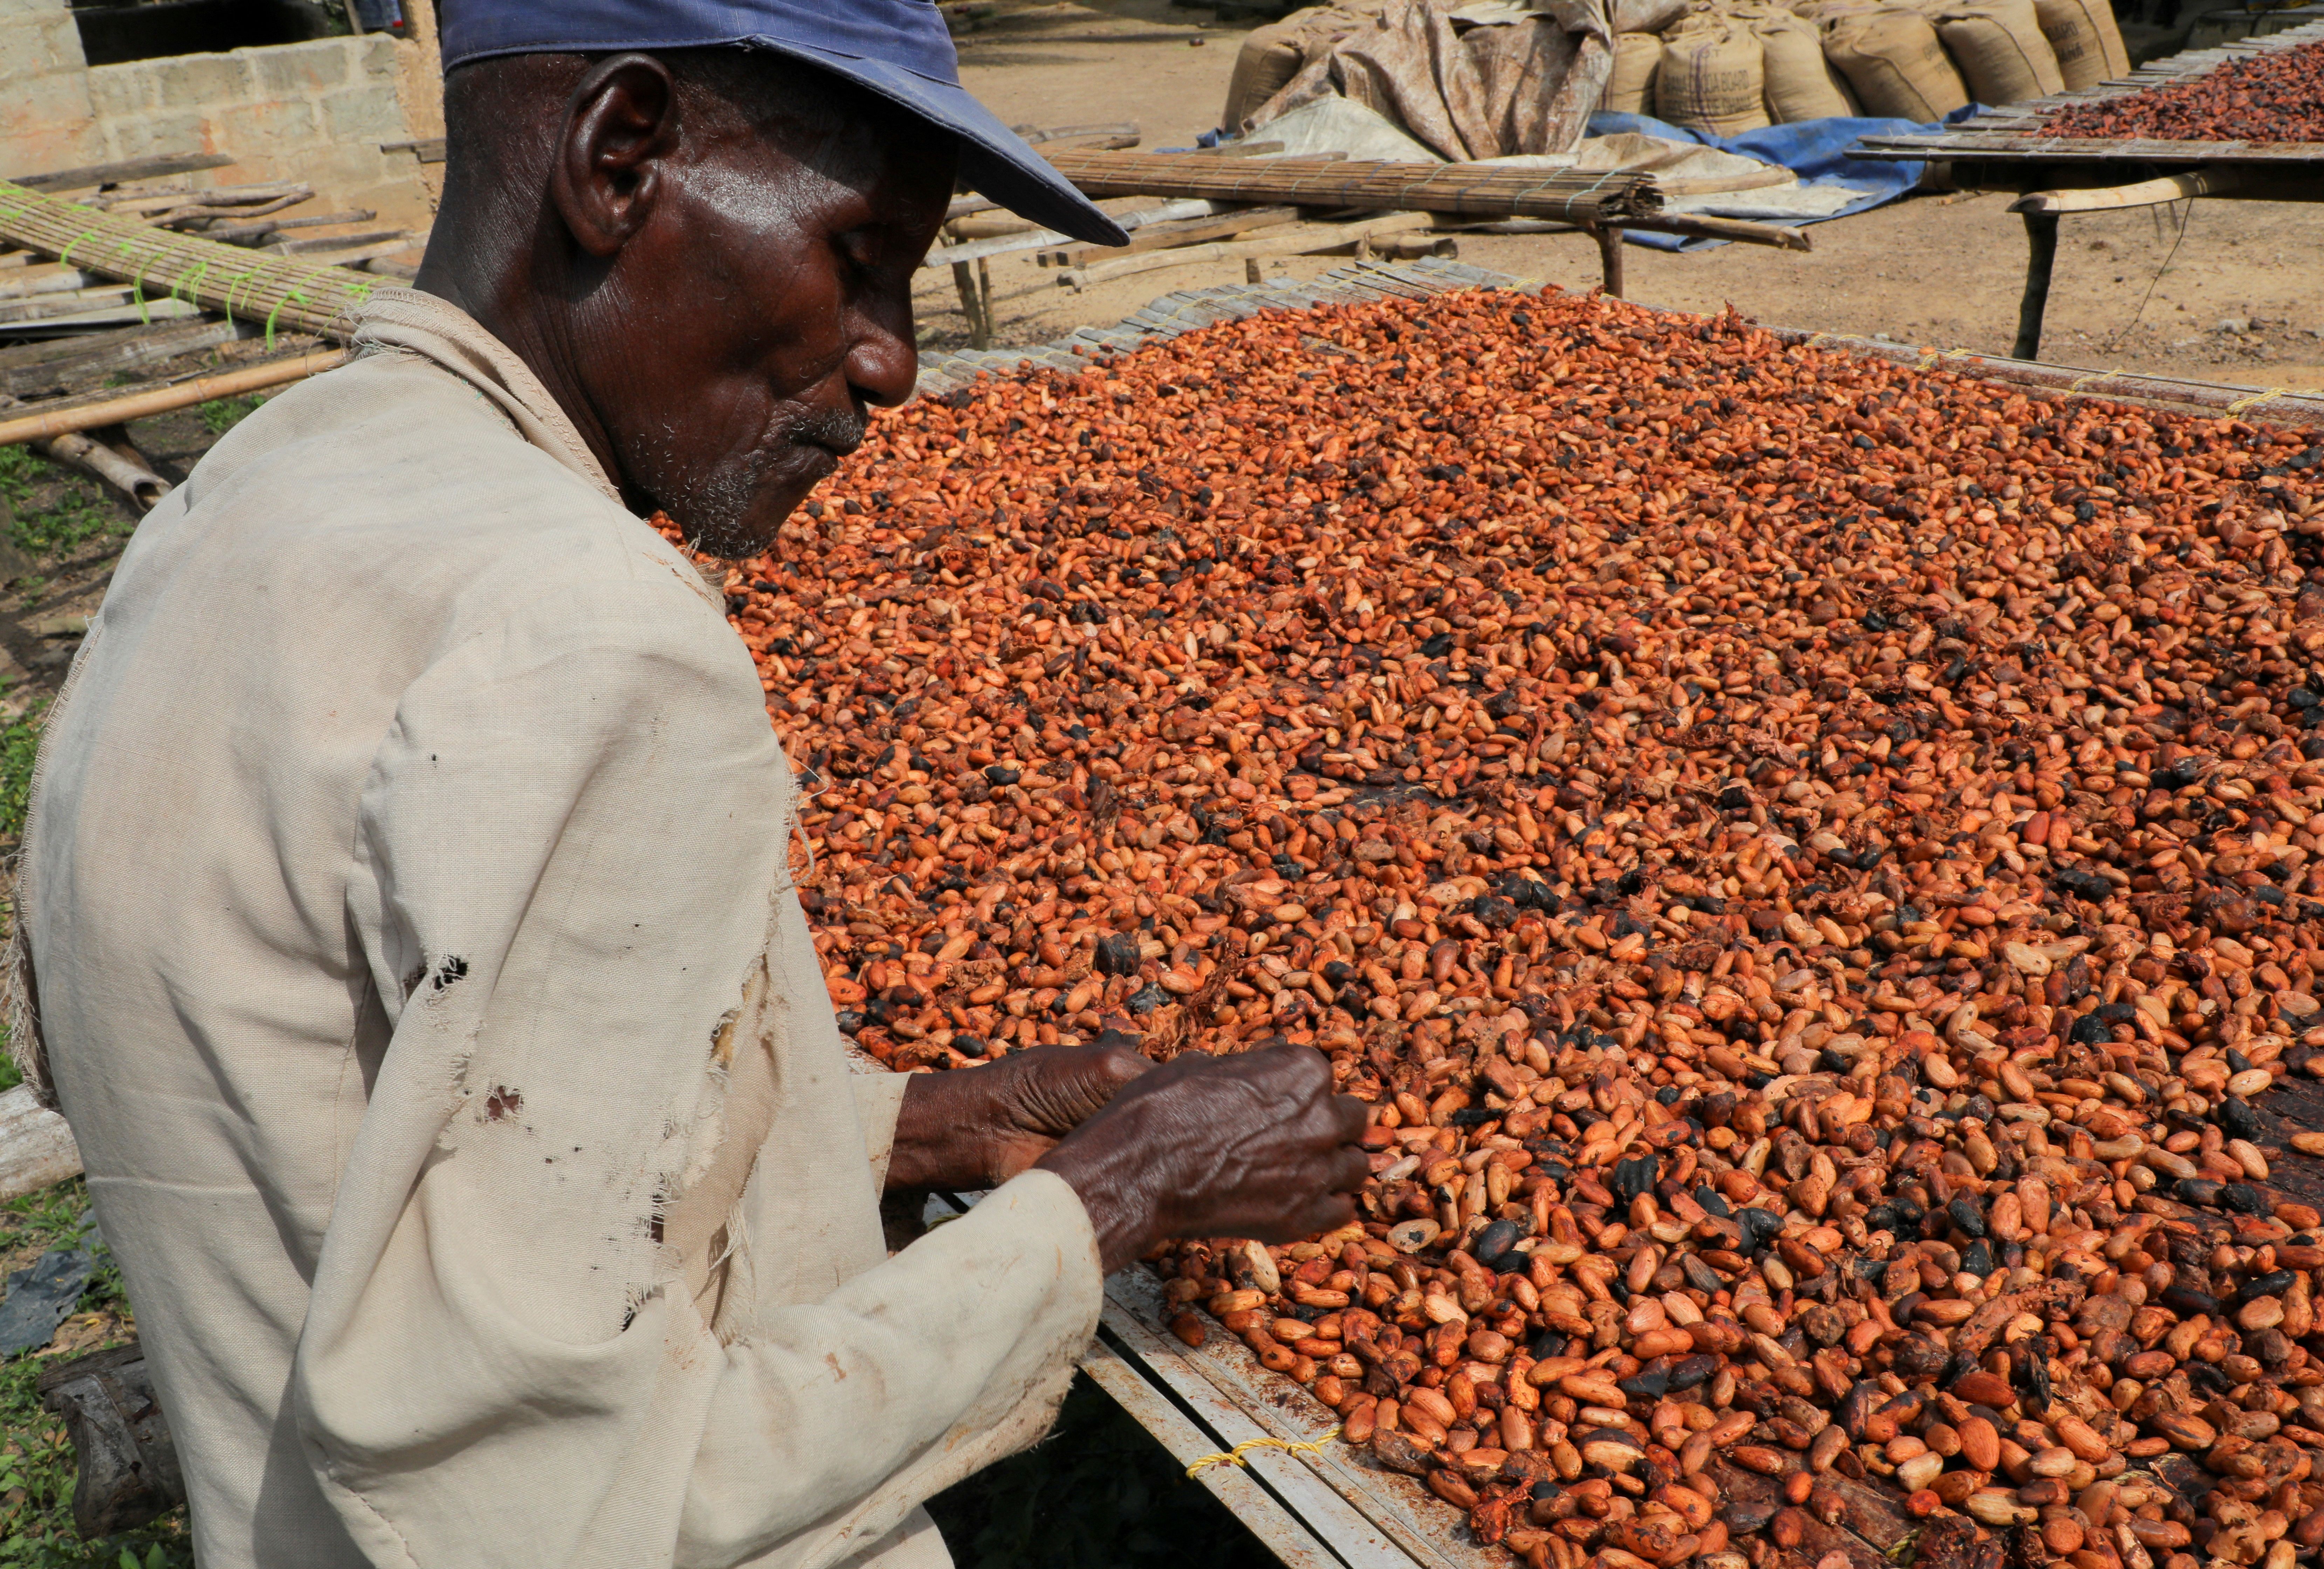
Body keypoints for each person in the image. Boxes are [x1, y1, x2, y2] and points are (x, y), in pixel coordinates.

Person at [7, 4, 1369, 1565]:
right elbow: (564, 1509)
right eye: (859, 257)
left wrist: (898, 1130)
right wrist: (1118, 1197)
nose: (896, 364)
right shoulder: (594, 637)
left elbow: (371, 1119)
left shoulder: (242, 500)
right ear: (621, 157)